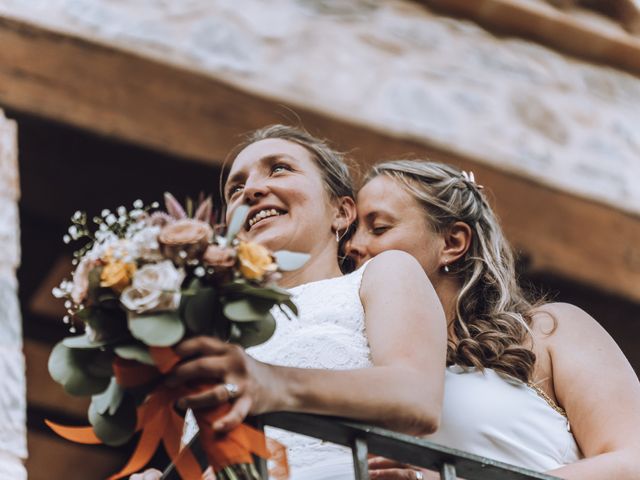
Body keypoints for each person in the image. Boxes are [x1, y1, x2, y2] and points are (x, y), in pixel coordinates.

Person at [131, 128, 447, 480]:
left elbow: (416, 397)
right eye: (235, 189)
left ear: (341, 212)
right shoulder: (223, 338)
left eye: (279, 168)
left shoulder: (381, 273)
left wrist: (273, 385)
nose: (250, 190)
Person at [346, 159, 640, 480]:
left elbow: (630, 462)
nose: (352, 246)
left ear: (453, 243)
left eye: (379, 228)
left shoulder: (546, 331)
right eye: (349, 233)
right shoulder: (356, 354)